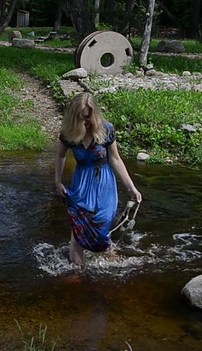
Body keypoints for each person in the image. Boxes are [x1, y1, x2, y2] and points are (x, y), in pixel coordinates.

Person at [54, 92, 142, 266]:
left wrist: (131, 187)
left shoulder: (106, 130)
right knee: (78, 231)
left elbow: (116, 159)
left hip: (105, 186)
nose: (85, 122)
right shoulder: (69, 133)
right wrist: (57, 181)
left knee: (103, 228)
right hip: (81, 185)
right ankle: (76, 274)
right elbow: (60, 155)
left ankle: (111, 267)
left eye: (88, 117)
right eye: (81, 118)